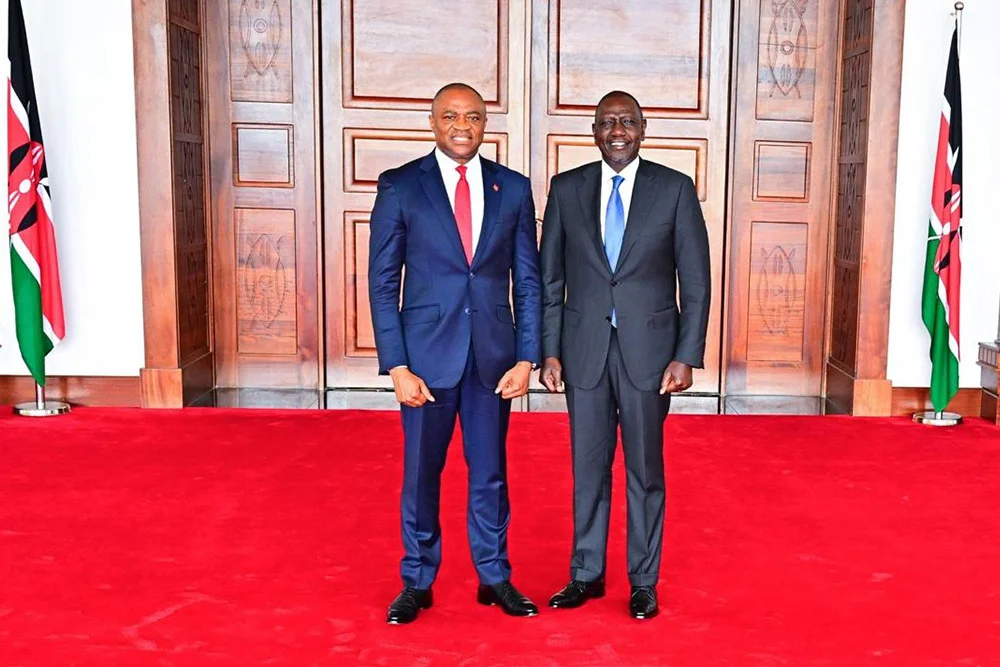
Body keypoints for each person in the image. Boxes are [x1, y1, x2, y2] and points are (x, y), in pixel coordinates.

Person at [368, 83, 542, 624]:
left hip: (494, 358)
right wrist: (396, 365)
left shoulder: (512, 188)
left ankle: (495, 577)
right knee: (422, 473)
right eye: (450, 116)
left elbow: (528, 281)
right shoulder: (400, 187)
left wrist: (526, 357)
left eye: (471, 116)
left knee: (490, 473)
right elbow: (381, 282)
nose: (461, 125)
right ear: (433, 122)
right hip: (423, 361)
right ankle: (417, 581)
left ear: (485, 122)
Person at [538, 90, 711, 619]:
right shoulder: (566, 189)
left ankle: (643, 579)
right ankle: (585, 573)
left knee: (644, 469)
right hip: (583, 349)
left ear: (643, 128)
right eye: (608, 122)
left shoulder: (675, 190)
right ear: (594, 130)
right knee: (587, 466)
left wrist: (686, 354)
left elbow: (697, 281)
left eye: (628, 122)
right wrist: (549, 351)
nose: (618, 131)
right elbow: (551, 279)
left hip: (650, 355)